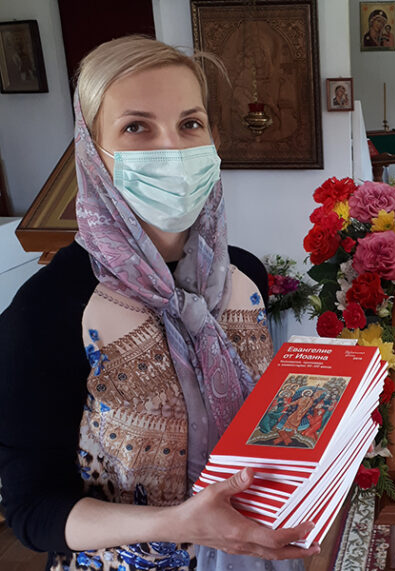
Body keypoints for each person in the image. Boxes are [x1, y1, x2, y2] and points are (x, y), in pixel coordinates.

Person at [0, 36, 319, 571]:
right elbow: (33, 511)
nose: (171, 149)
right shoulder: (46, 311)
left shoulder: (245, 277)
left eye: (190, 123)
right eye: (136, 127)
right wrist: (177, 524)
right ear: (93, 151)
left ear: (213, 139)